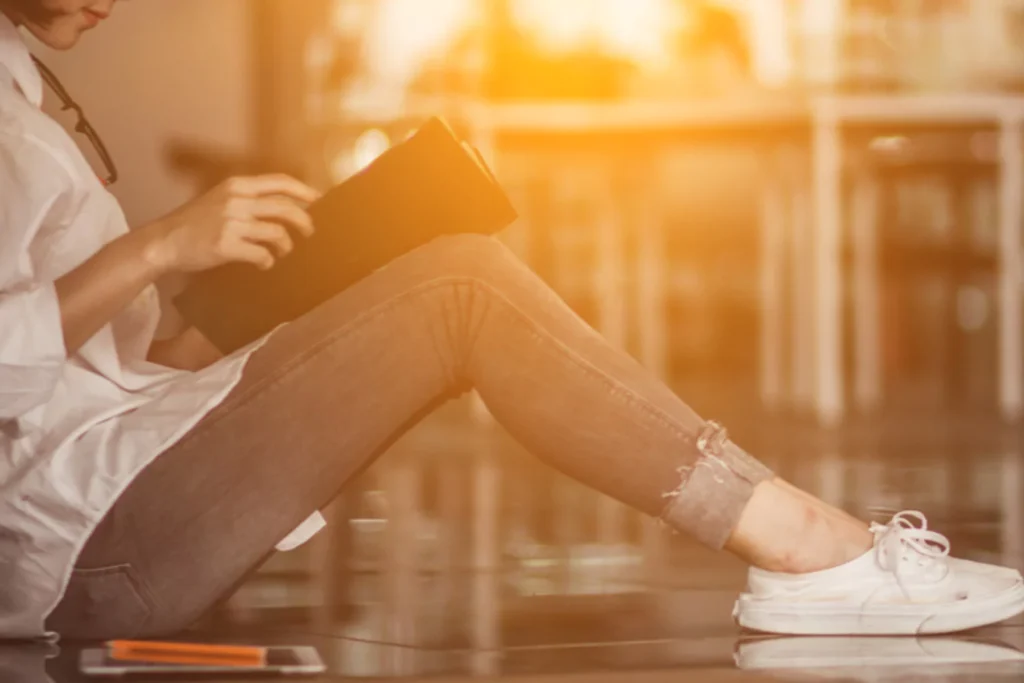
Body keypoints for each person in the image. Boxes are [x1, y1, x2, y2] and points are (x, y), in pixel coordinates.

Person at [1, 0, 1021, 642]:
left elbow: (107, 370)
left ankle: (809, 550)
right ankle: (807, 549)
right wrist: (157, 248)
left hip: (117, 481)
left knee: (440, 269)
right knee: (465, 285)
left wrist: (307, 287)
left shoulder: (26, 78)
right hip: (88, 550)